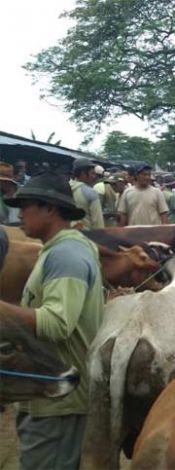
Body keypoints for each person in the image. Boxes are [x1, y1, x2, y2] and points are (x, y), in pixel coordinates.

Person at [0, 172, 104, 470]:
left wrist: (3, 311)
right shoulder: (58, 251)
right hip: (50, 392)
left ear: (51, 209)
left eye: (26, 205)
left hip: (59, 398)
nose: (19, 213)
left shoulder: (66, 255)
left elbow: (58, 323)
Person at [70, 158, 104, 229]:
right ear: (83, 173)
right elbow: (98, 222)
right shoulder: (90, 192)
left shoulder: (65, 188)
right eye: (92, 173)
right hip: (86, 236)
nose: (94, 176)